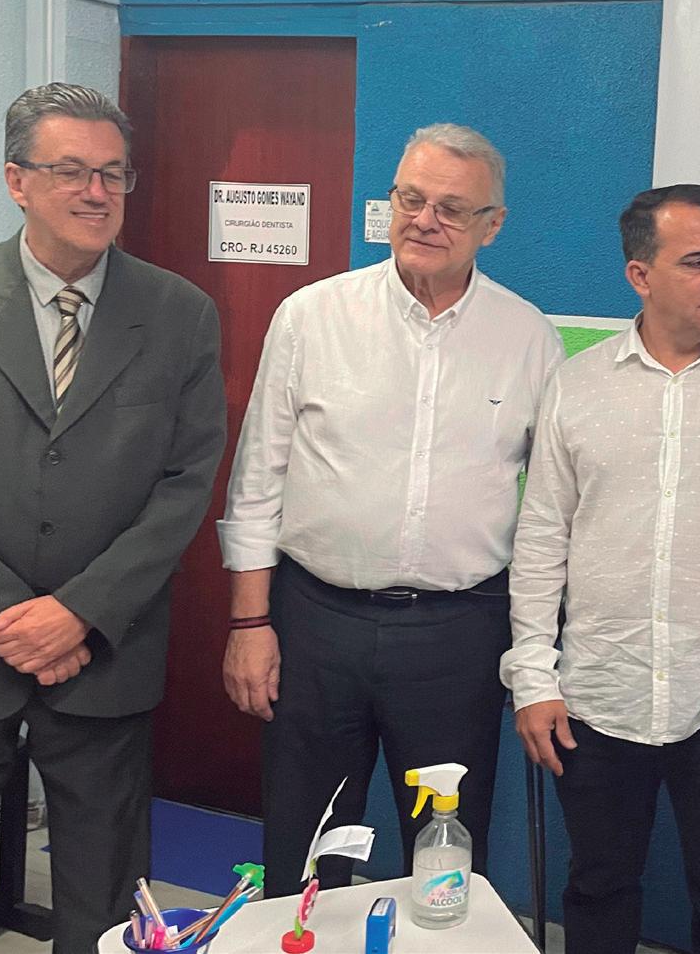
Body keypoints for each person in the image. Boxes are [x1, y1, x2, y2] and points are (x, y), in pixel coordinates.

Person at [0, 83, 227, 954]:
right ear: (15, 180)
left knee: (107, 903)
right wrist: (11, 617)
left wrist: (79, 613)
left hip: (102, 653)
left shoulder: (179, 313)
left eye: (113, 173)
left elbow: (185, 483)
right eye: (70, 170)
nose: (96, 192)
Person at [218, 122, 563, 896]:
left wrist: (535, 651)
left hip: (458, 635)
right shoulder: (312, 315)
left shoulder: (528, 338)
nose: (424, 220)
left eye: (451, 208)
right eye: (411, 198)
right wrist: (249, 622)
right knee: (305, 848)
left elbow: (547, 514)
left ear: (492, 226)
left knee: (447, 858)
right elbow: (256, 481)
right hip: (316, 624)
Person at [502, 184, 700, 954]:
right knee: (597, 891)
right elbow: (541, 538)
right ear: (640, 275)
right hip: (598, 697)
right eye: (698, 261)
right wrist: (533, 676)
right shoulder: (578, 384)